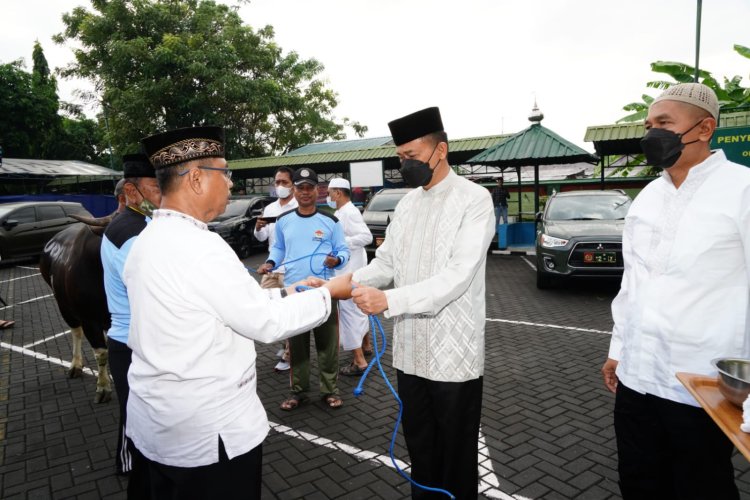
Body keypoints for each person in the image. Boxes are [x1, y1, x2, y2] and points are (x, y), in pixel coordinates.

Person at [124, 126, 352, 499]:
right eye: (224, 172)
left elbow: (237, 303)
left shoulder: (149, 239)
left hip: (159, 427)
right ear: (196, 179)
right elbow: (265, 322)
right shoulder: (201, 246)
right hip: (207, 436)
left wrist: (293, 290)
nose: (231, 183)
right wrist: (329, 292)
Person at [600, 83, 750, 500]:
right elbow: (633, 283)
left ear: (704, 128)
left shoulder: (742, 190)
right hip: (637, 378)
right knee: (639, 482)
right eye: (648, 125)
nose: (652, 134)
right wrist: (617, 350)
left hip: (701, 384)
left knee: (702, 487)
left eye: (664, 123)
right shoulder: (648, 197)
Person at [349, 107, 495, 499]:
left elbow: (456, 277)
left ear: (441, 150)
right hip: (410, 352)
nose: (404, 164)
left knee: (456, 455)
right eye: (400, 157)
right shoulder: (408, 204)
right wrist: (340, 284)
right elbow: (385, 264)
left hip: (454, 356)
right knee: (421, 450)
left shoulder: (474, 200)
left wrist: (388, 299)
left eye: (411, 155)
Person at [257, 167, 350, 410]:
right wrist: (269, 263)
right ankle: (298, 391)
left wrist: (336, 260)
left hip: (324, 292)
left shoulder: (330, 220)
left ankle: (330, 390)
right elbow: (278, 250)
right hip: (294, 293)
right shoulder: (284, 221)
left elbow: (343, 249)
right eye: (301, 187)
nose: (305, 192)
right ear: (295, 190)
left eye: (310, 187)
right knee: (296, 346)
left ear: (318, 191)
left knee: (327, 345)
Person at [100, 153, 162, 486]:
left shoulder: (141, 223)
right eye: (155, 186)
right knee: (133, 415)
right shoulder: (131, 233)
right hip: (130, 341)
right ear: (132, 191)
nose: (161, 192)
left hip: (138, 337)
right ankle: (127, 463)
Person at [326, 178, 373, 375]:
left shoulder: (350, 212)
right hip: (348, 269)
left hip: (349, 272)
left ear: (338, 193)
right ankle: (366, 345)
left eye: (330, 192)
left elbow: (366, 237)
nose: (328, 196)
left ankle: (359, 361)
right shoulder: (340, 212)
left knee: (349, 315)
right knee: (358, 310)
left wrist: (340, 243)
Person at [254, 166, 299, 372]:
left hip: (292, 269)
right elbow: (264, 238)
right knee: (266, 306)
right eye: (277, 182)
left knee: (289, 310)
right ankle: (285, 345)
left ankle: (290, 354)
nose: (280, 186)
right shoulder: (270, 208)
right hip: (272, 268)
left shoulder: (299, 207)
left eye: (284, 182)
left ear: (292, 185)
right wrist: (258, 228)